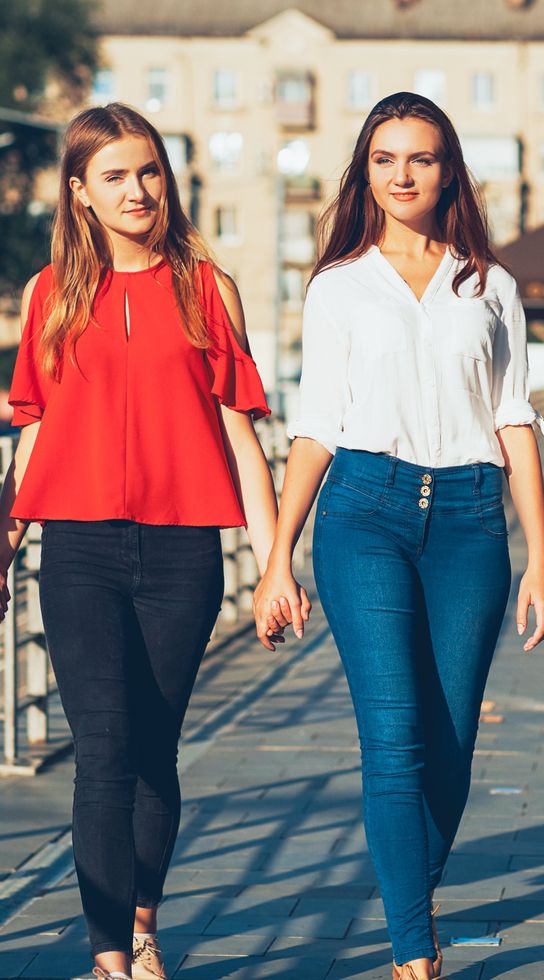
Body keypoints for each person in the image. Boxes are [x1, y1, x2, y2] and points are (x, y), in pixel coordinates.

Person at [252, 92, 544, 980]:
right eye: (384, 158)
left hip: (471, 520)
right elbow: (317, 423)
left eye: (420, 158)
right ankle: (413, 953)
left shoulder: (490, 285)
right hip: (364, 513)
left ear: (448, 170)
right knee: (393, 737)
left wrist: (541, 558)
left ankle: (408, 896)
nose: (402, 175)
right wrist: (277, 560)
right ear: (365, 171)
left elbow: (513, 418)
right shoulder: (339, 285)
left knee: (450, 745)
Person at [0, 104, 285, 980]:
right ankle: (110, 959)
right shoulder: (49, 295)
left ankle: (144, 925)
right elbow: (33, 433)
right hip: (78, 551)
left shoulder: (209, 288)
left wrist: (275, 566)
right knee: (103, 750)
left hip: (182, 554)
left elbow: (241, 436)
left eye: (149, 171)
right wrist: (2, 547)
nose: (137, 190)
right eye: (116, 176)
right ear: (79, 192)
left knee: (154, 752)